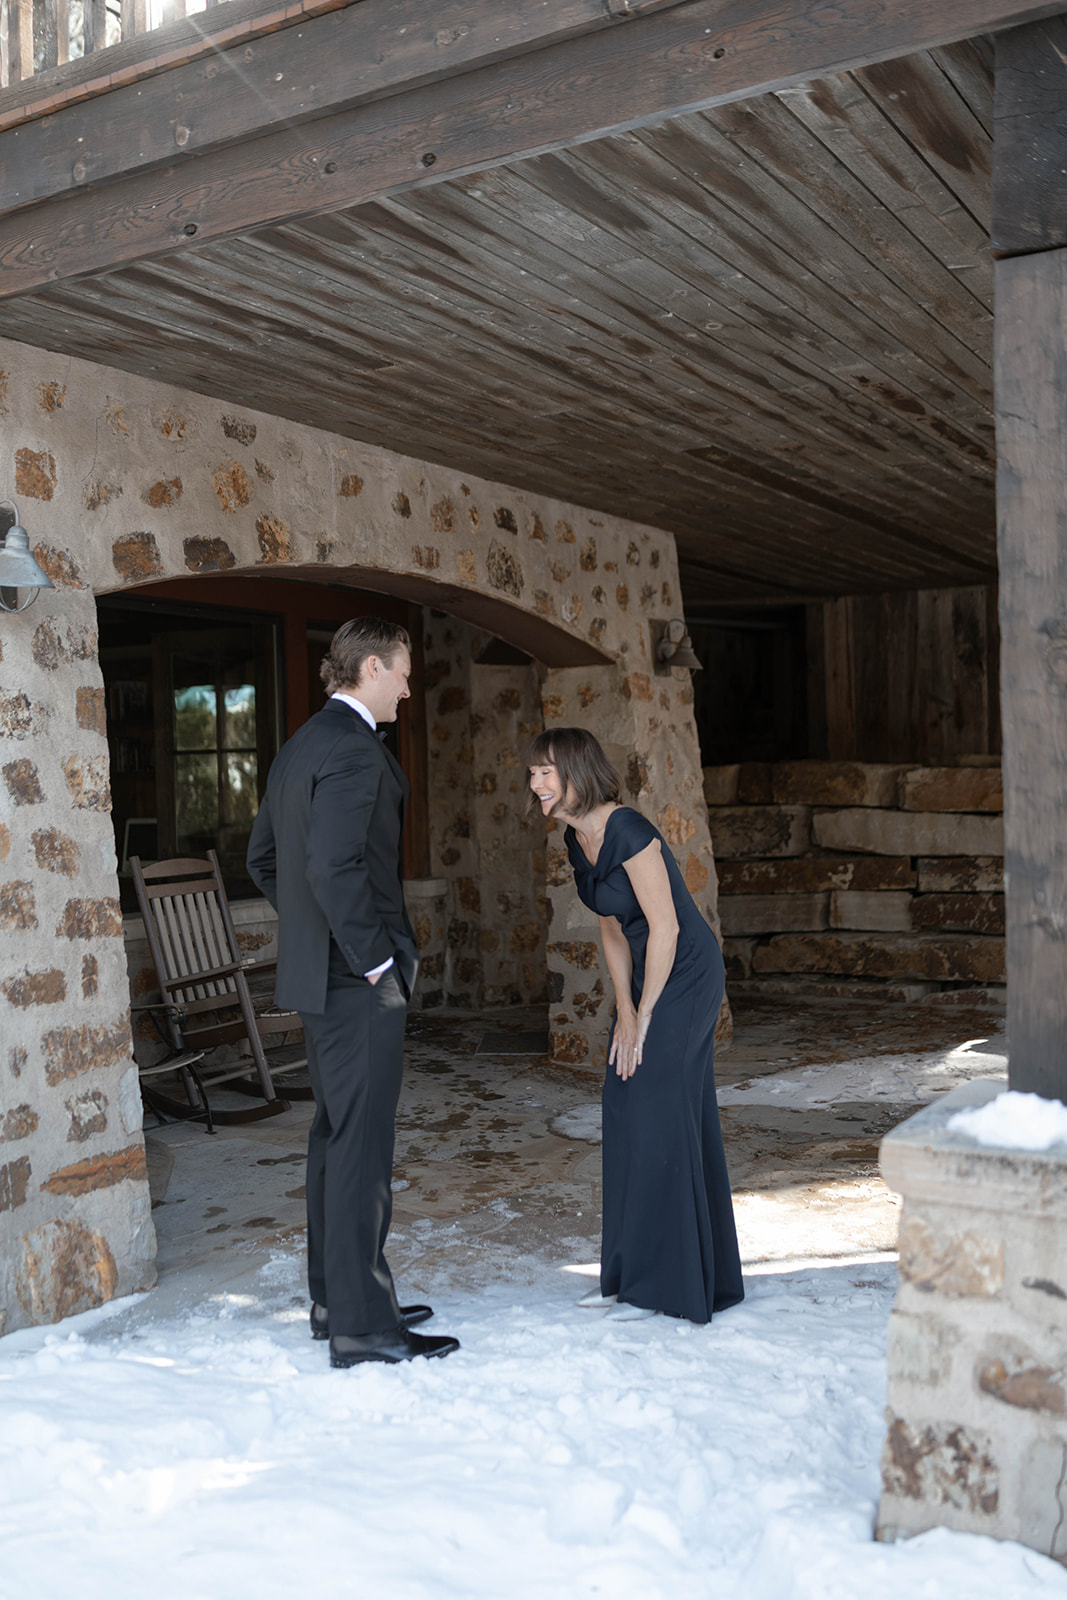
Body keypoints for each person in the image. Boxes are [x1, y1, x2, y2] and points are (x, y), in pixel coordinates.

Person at [247, 617, 459, 1368]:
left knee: (335, 1143)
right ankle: (364, 1329)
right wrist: (373, 961)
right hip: (353, 981)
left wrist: (313, 935)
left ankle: (337, 1300)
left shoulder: (301, 744)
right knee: (360, 1150)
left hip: (319, 975)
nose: (408, 685)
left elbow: (264, 859)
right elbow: (333, 869)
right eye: (402, 671)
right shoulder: (353, 751)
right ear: (371, 668)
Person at [527, 727, 744, 1325]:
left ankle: (665, 1288)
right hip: (646, 980)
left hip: (686, 976)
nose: (535, 784)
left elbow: (667, 928)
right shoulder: (577, 840)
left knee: (658, 1114)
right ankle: (627, 1277)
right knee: (625, 1108)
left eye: (546, 772)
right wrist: (623, 1006)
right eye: (532, 774)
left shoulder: (629, 829)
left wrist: (646, 1014)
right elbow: (612, 926)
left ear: (576, 770)